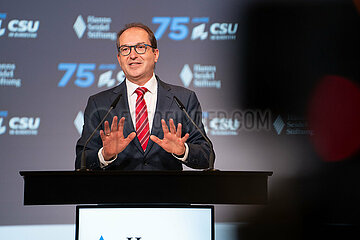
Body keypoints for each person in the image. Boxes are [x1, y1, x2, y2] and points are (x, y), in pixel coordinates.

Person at [75, 23, 213, 170]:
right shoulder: (99, 103)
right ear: (119, 58)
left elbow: (207, 157)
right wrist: (104, 155)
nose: (132, 55)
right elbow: (81, 162)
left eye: (140, 47)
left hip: (169, 191)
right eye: (125, 49)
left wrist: (183, 151)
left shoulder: (183, 99)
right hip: (117, 192)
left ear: (155, 54)